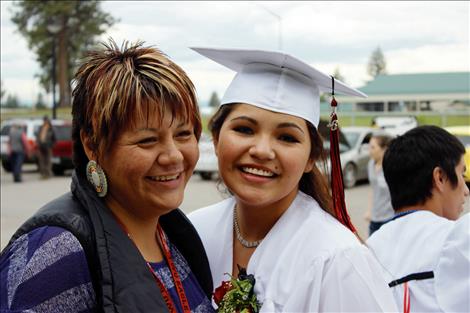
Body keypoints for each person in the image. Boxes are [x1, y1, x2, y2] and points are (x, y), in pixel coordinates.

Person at [0, 40, 214, 312]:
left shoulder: (172, 236)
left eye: (183, 134)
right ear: (93, 146)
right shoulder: (57, 252)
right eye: (147, 140)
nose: (173, 156)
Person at [189, 47, 397, 312]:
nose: (262, 150)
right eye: (244, 129)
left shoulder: (336, 259)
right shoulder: (194, 232)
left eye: (287, 137)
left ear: (311, 158)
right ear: (216, 139)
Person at [367, 125, 469, 313]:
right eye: (461, 174)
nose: (466, 191)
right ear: (440, 178)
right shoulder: (457, 239)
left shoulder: (366, 253)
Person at [364, 132, 394, 235]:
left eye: (373, 147)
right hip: (374, 218)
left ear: (383, 149)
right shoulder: (370, 164)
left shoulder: (391, 168)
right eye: (369, 147)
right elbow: (373, 189)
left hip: (389, 219)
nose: (369, 151)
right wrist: (369, 211)